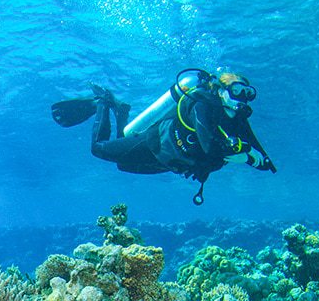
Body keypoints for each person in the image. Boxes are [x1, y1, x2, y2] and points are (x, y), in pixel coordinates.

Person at [52, 69, 276, 204]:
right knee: (98, 149)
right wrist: (244, 155)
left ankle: (121, 111)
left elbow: (261, 156)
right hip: (155, 144)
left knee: (122, 164)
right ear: (220, 89)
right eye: (237, 90)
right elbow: (209, 146)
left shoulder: (237, 118)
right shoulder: (202, 103)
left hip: (172, 162)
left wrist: (260, 160)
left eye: (248, 93)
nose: (243, 98)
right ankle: (103, 103)